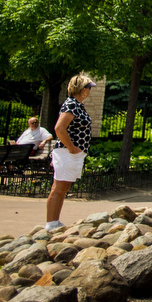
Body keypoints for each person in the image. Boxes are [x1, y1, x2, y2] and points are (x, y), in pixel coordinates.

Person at [46, 74, 95, 232]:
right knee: (58, 187)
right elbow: (59, 128)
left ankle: (54, 221)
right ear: (82, 90)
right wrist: (72, 148)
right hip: (67, 153)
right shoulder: (71, 104)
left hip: (72, 153)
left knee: (63, 187)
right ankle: (51, 223)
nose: (89, 91)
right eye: (88, 88)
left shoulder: (77, 105)